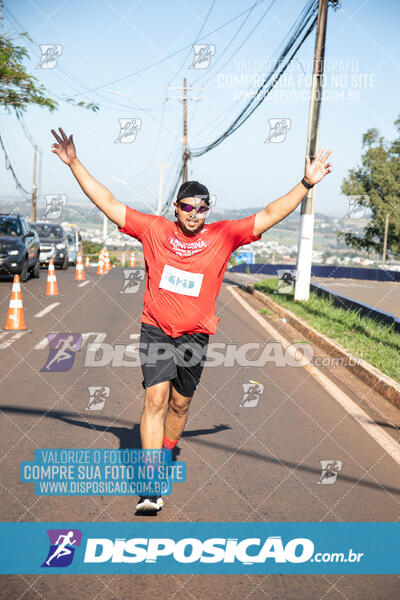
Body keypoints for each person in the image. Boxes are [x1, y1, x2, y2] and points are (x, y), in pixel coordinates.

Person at [50, 127, 332, 511]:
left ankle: (166, 452)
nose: (195, 214)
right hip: (156, 329)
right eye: (188, 207)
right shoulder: (153, 230)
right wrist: (74, 163)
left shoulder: (223, 235)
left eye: (202, 208)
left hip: (196, 336)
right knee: (155, 399)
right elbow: (108, 202)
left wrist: (305, 183)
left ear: (207, 211)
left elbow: (268, 214)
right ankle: (151, 485)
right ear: (176, 208)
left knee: (180, 406)